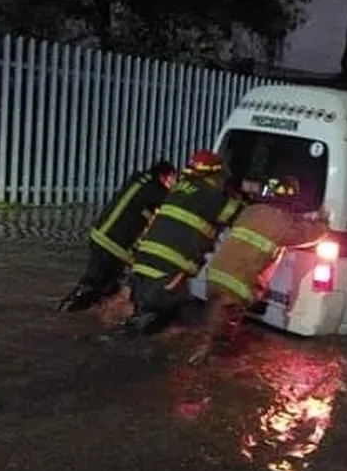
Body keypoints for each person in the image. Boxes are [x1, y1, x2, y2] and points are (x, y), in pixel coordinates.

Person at [191, 176, 330, 363]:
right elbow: (309, 234)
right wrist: (323, 223)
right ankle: (209, 356)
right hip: (237, 282)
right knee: (225, 327)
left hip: (215, 272)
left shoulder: (251, 210)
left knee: (214, 312)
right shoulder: (283, 224)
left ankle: (205, 351)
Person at [126, 150, 244, 335]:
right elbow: (240, 216)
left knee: (145, 311)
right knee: (168, 316)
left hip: (143, 260)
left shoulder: (180, 187)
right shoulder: (211, 196)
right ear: (215, 174)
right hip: (169, 266)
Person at [57, 160, 177, 312]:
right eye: (173, 179)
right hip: (113, 244)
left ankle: (85, 314)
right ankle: (66, 313)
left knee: (106, 286)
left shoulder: (139, 181)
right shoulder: (155, 190)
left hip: (102, 237)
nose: (174, 184)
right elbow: (172, 205)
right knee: (95, 285)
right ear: (164, 176)